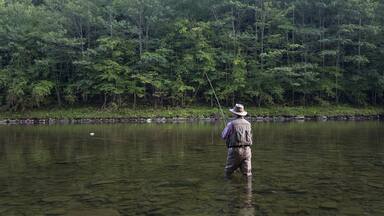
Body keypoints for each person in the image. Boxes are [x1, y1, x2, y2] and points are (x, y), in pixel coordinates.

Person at [222, 104, 253, 177]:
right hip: (247, 150)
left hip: (235, 151)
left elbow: (223, 136)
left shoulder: (231, 124)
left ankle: (230, 186)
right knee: (247, 174)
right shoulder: (248, 124)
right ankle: (248, 187)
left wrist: (226, 128)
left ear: (234, 114)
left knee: (228, 172)